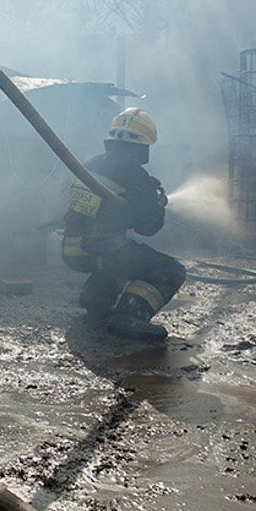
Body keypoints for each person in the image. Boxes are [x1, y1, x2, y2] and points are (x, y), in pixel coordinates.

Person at [61, 107, 185, 342]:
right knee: (170, 270)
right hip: (104, 250)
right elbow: (148, 228)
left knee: (124, 255)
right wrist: (157, 206)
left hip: (72, 248)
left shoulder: (90, 165)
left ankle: (96, 300)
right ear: (143, 146)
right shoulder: (139, 180)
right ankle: (130, 315)